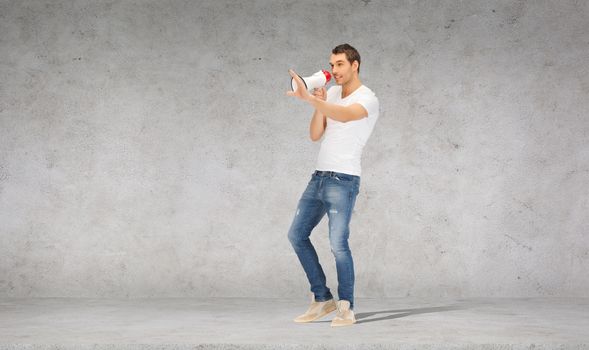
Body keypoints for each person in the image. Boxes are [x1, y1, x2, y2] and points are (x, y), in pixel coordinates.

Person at [285, 43, 380, 327]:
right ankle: (322, 299)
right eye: (331, 64)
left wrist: (310, 100)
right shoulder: (333, 93)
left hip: (344, 179)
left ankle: (346, 307)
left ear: (355, 65)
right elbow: (316, 134)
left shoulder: (368, 98)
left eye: (339, 64)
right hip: (319, 177)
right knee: (296, 235)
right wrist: (318, 102)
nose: (334, 70)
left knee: (338, 244)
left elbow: (344, 115)